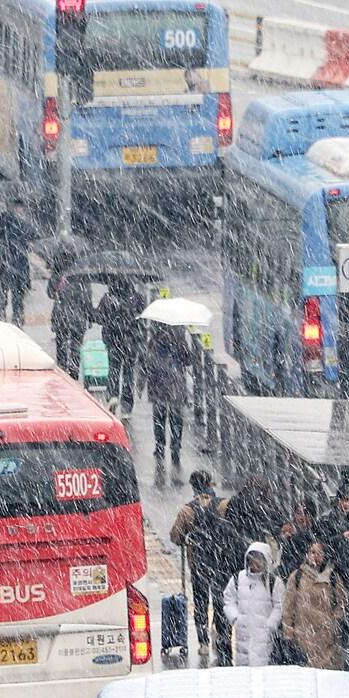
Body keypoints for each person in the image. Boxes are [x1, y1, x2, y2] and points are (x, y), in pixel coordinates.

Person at [170, 470, 245, 667]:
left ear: (193, 487)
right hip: (222, 562)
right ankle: (222, 637)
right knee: (221, 601)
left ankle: (203, 641)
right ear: (211, 483)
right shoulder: (224, 504)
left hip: (199, 564)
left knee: (200, 602)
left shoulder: (187, 511)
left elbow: (175, 537)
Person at [281, 540, 349, 670]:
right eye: (312, 552)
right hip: (303, 640)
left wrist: (333, 622)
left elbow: (342, 603)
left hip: (327, 641)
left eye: (320, 553)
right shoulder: (297, 576)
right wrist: (289, 635)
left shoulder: (333, 577)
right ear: (306, 555)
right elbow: (288, 609)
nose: (316, 556)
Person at [222, 542, 286, 668]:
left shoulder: (274, 582)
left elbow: (280, 605)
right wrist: (235, 617)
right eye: (252, 559)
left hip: (265, 635)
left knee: (264, 670)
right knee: (244, 670)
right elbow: (228, 599)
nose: (255, 563)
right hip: (243, 633)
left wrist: (270, 624)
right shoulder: (238, 579)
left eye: (259, 560)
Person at [143, 323, 192, 475]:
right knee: (176, 420)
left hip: (158, 388)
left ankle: (159, 447)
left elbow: (147, 363)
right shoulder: (179, 338)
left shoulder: (155, 338)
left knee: (159, 419)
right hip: (176, 388)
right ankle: (175, 449)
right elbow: (189, 360)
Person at [0, 197, 35, 326]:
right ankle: (17, 323)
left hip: (1, 263)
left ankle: (0, 321)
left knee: (1, 296)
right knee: (18, 299)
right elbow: (32, 244)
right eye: (21, 207)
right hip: (19, 265)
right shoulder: (25, 225)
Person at [96, 280, 145, 413]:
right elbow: (143, 319)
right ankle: (127, 403)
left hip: (113, 340)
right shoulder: (138, 298)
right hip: (131, 341)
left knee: (113, 369)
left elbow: (99, 318)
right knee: (129, 372)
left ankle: (113, 395)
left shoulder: (108, 299)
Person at [315, 485, 349, 587]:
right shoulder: (327, 519)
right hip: (330, 566)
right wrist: (341, 537)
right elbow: (322, 542)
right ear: (339, 500)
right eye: (345, 500)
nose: (347, 504)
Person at [49, 271, 94, 378]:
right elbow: (87, 300)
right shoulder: (84, 278)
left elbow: (50, 294)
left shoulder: (58, 275)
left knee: (61, 346)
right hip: (79, 318)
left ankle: (62, 371)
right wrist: (90, 318)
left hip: (61, 317)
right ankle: (74, 374)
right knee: (76, 347)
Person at [226, 474, 280, 546]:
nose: (256, 492)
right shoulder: (266, 508)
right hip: (254, 542)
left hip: (239, 540)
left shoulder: (236, 502)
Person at [277, 499, 316, 577]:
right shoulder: (289, 536)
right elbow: (284, 565)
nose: (302, 517)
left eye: (306, 513)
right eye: (299, 513)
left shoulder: (317, 535)